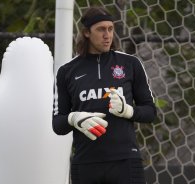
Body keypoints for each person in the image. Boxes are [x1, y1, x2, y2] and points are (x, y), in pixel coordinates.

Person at [52, 6, 156, 184]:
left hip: (125, 162)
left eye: (110, 28)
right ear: (86, 32)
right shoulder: (66, 71)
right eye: (101, 29)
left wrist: (128, 111)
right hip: (85, 164)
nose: (107, 35)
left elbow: (150, 112)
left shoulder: (130, 64)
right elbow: (57, 124)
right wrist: (74, 118)